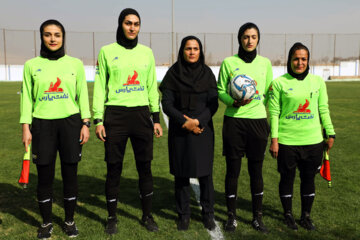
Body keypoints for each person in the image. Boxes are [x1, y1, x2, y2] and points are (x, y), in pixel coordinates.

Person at [92, 8, 163, 234]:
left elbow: (152, 86)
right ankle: (112, 217)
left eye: (136, 24)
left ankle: (147, 215)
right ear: (120, 24)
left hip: (142, 116)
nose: (132, 27)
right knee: (114, 168)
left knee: (145, 168)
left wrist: (156, 117)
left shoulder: (147, 53)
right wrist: (98, 119)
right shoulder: (106, 51)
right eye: (128, 23)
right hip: (115, 116)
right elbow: (100, 86)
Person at [20, 19, 91, 239]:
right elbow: (27, 100)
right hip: (42, 126)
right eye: (48, 34)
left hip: (70, 124)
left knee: (70, 174)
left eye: (57, 35)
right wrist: (25, 127)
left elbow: (82, 96)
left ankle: (69, 221)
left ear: (63, 37)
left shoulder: (75, 64)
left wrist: (85, 123)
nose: (52, 39)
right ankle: (46, 223)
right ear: (41, 37)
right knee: (45, 176)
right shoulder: (31, 65)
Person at [268, 42, 335, 231]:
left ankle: (306, 216)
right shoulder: (279, 83)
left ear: (308, 60)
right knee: (287, 179)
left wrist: (330, 132)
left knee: (309, 179)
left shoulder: (318, 82)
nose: (300, 63)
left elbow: (323, 109)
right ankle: (287, 214)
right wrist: (274, 140)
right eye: (296, 59)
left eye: (303, 59)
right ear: (290, 60)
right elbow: (273, 113)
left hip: (313, 142)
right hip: (287, 142)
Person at [217, 22, 273, 233]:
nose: (250, 41)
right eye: (246, 37)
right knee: (233, 171)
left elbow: (268, 91)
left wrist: (258, 108)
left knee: (256, 171)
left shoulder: (265, 63)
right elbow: (220, 90)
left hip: (258, 123)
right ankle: (231, 216)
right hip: (234, 122)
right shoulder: (229, 62)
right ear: (239, 39)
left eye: (254, 37)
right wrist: (233, 102)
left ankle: (257, 217)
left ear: (258, 39)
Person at [160, 36, 218, 231]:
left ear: (200, 51)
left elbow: (213, 103)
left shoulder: (207, 73)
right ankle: (183, 215)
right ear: (182, 51)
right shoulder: (173, 73)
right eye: (188, 48)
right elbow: (166, 104)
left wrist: (198, 121)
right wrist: (184, 122)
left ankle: (208, 214)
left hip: (203, 130)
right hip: (180, 130)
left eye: (195, 48)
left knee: (205, 175)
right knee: (181, 174)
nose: (192, 52)